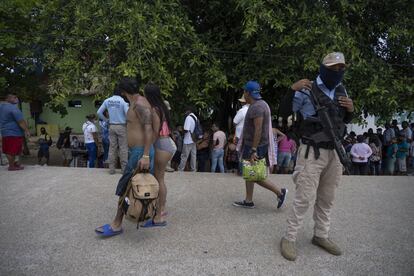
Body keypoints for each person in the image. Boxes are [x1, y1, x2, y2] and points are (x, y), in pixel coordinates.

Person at [280, 52, 354, 261]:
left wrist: (351, 110)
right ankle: (289, 237)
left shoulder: (341, 89)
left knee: (327, 198)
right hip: (312, 151)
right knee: (304, 197)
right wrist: (290, 90)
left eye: (341, 68)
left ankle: (321, 235)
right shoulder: (306, 88)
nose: (337, 72)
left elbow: (343, 120)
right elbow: (284, 112)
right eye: (333, 68)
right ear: (323, 68)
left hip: (335, 152)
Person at [95, 77, 155, 237]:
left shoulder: (140, 104)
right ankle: (136, 217)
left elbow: (149, 129)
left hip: (140, 152)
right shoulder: (135, 103)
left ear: (122, 91)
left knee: (126, 187)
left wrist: (146, 155)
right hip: (138, 151)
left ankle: (116, 224)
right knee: (133, 188)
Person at [233, 80, 287, 209]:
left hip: (255, 146)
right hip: (253, 144)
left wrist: (253, 150)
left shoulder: (257, 107)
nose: (243, 94)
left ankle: (279, 192)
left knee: (254, 174)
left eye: (244, 92)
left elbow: (258, 129)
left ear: (247, 93)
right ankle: (248, 200)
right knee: (249, 172)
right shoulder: (260, 104)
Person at [141, 83, 176, 227]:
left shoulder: (155, 109)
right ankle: (161, 209)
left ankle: (159, 215)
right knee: (160, 178)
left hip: (161, 144)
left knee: (159, 179)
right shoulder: (162, 107)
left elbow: (155, 132)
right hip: (167, 143)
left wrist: (146, 151)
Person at [97, 86, 129, 174]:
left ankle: (111, 169)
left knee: (112, 148)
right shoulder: (123, 102)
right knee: (123, 148)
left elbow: (99, 112)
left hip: (111, 126)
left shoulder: (107, 101)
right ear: (121, 93)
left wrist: (106, 120)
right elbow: (128, 114)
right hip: (122, 126)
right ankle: (124, 169)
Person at [0, 92, 30, 171]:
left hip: (5, 132)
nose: (16, 99)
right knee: (12, 150)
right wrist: (27, 130)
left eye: (16, 97)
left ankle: (14, 164)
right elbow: (21, 121)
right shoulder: (13, 108)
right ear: (8, 99)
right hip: (14, 133)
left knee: (9, 149)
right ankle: (11, 166)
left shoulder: (2, 107)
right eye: (14, 97)